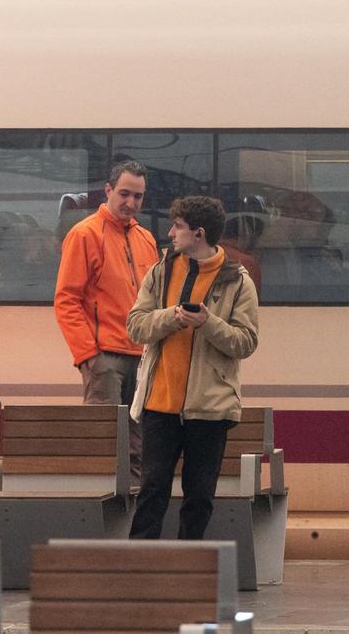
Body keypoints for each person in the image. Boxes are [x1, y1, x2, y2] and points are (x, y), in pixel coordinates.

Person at [127, 196, 259, 540]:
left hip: (210, 409)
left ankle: (190, 572)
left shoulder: (238, 280)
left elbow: (246, 342)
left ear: (198, 233)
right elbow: (135, 325)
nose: (170, 232)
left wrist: (207, 323)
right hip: (160, 403)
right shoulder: (162, 270)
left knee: (199, 497)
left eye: (178, 227)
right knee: (151, 491)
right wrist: (171, 317)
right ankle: (138, 571)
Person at [54, 160, 159, 482]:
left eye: (138, 197)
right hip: (105, 358)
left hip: (141, 357)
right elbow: (66, 300)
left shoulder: (146, 239)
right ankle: (103, 524)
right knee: (107, 447)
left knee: (140, 446)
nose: (131, 203)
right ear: (109, 191)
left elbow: (154, 300)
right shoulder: (84, 234)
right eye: (125, 194)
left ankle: (136, 521)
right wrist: (89, 356)